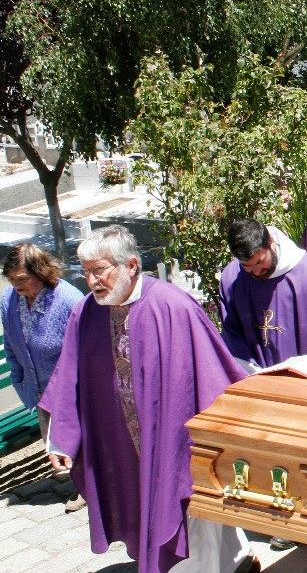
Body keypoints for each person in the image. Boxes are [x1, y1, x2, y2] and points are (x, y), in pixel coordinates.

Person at [40, 226, 256, 573]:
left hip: (173, 442)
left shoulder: (172, 306)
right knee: (145, 512)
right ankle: (236, 561)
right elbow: (68, 380)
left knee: (190, 517)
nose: (92, 281)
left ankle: (227, 563)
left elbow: (211, 371)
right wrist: (62, 440)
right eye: (86, 271)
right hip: (122, 447)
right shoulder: (86, 313)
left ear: (131, 265)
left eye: (99, 270)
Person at [1, 244, 84, 509]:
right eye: (11, 278)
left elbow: (84, 351)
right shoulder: (9, 300)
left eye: (22, 278)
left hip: (70, 387)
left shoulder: (68, 300)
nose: (16, 284)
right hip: (36, 385)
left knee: (80, 437)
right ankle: (74, 476)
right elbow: (11, 344)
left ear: (41, 272)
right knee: (54, 438)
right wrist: (19, 377)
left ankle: (85, 488)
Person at [220, 218, 307, 368]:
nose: (256, 271)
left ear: (271, 242)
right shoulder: (232, 278)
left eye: (260, 261)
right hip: (255, 378)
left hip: (305, 377)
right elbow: (232, 336)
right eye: (247, 266)